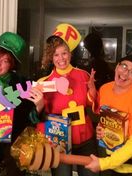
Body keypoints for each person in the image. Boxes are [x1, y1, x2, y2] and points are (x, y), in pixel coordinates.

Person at [0, 32, 42, 176]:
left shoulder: (22, 83)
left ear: (12, 65)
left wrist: (39, 105)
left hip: (12, 148)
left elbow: (31, 116)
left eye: (5, 61)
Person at [36, 35, 98, 176]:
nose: (61, 58)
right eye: (56, 55)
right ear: (51, 58)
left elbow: (91, 104)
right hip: (59, 141)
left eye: (64, 53)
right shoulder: (44, 82)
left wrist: (93, 91)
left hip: (85, 138)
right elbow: (40, 116)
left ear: (70, 54)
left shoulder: (83, 75)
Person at [85, 54, 132, 176]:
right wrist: (102, 129)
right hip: (115, 163)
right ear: (117, 66)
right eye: (124, 66)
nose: (125, 73)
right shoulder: (105, 89)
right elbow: (107, 119)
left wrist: (104, 164)